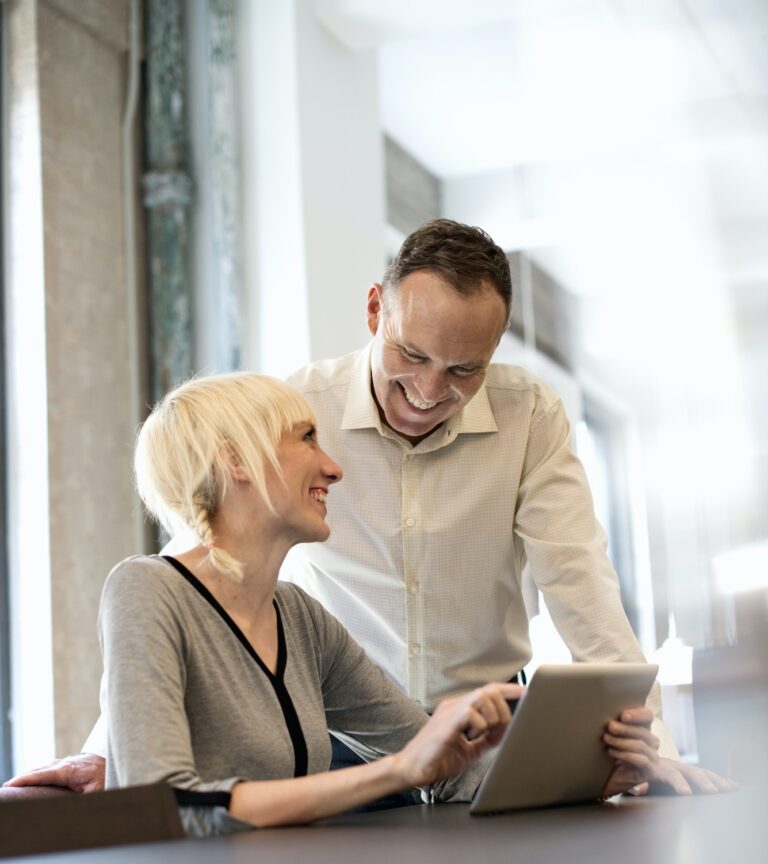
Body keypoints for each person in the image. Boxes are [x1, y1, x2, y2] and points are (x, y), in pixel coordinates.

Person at [7, 220, 733, 799]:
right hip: (344, 748)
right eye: (411, 355)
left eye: (463, 371)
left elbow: (583, 587)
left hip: (479, 743)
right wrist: (111, 751)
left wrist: (653, 753)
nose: (427, 390)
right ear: (373, 310)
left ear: (494, 352)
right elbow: (193, 573)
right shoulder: (293, 413)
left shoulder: (528, 416)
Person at [84, 370, 553, 832]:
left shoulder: (301, 618)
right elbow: (164, 804)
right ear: (236, 461)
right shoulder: (146, 589)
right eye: (307, 438)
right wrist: (397, 772)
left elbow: (440, 762)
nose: (334, 468)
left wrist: (585, 770)